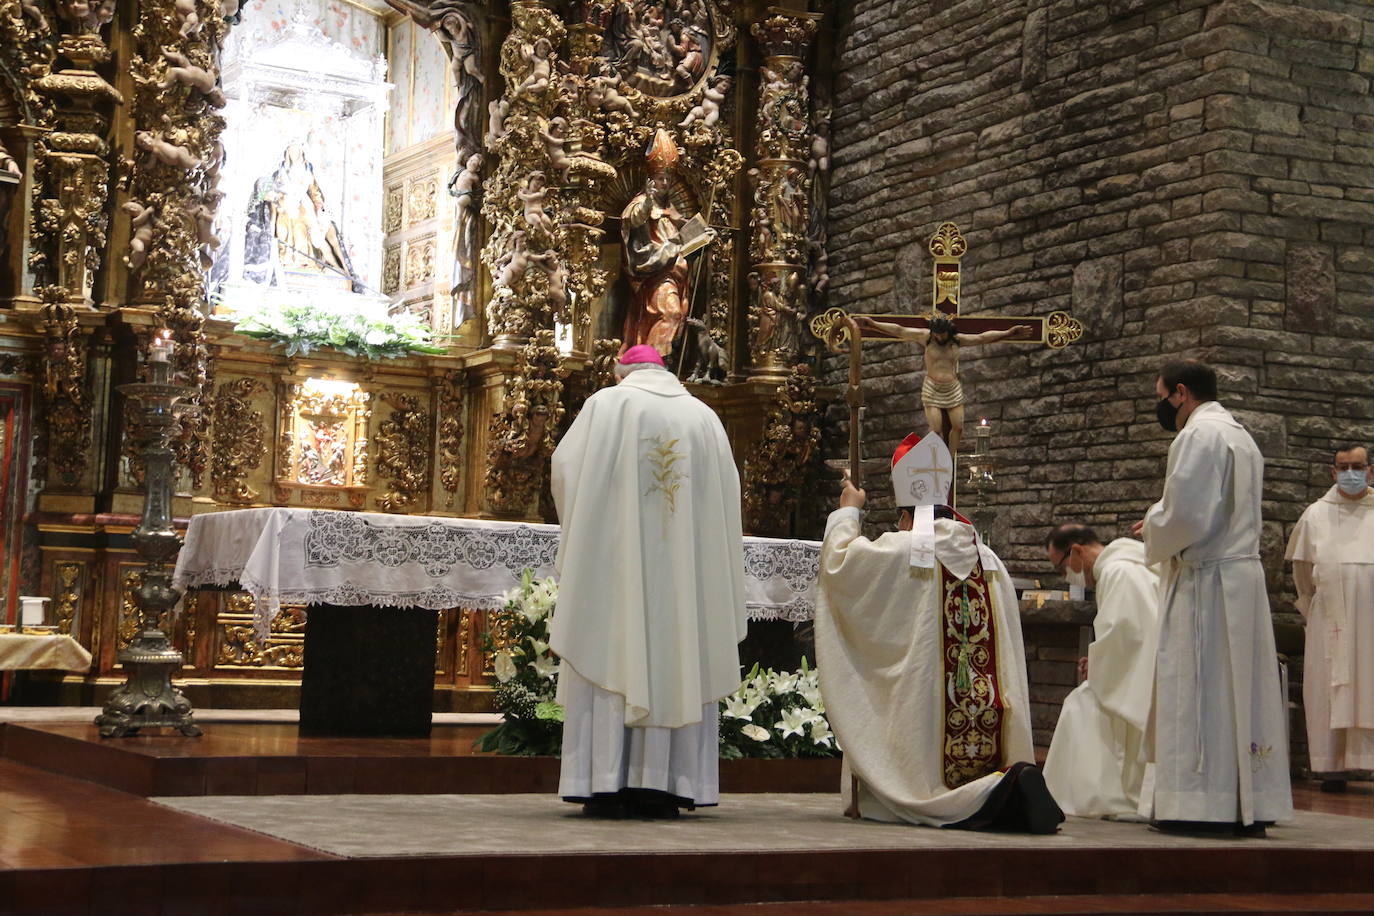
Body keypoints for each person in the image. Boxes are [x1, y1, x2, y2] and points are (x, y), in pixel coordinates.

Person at [813, 432, 1063, 833]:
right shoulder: (988, 556)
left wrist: (848, 511)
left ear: (907, 513)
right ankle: (1001, 782)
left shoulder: (905, 548)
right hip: (987, 710)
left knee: (923, 776)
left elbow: (840, 565)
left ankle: (979, 797)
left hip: (927, 721)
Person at [549, 344, 747, 819]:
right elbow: (727, 497)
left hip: (615, 570)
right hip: (686, 579)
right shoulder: (704, 418)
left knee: (616, 647)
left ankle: (603, 781)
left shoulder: (606, 406)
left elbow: (565, 471)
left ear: (623, 371)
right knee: (679, 649)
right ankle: (670, 783)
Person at [1134, 360, 1292, 835]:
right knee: (1238, 691)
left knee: (1200, 691)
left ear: (1181, 392)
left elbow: (1186, 515)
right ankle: (1247, 798)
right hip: (1239, 577)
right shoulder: (1240, 436)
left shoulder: (1198, 436)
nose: (1162, 406)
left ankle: (1201, 803)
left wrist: (1152, 529)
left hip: (1208, 582)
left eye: (1162, 395)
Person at [1041, 524, 1160, 818]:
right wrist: (1099, 660)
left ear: (1078, 551)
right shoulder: (1125, 566)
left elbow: (1133, 635)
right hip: (1140, 670)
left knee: (1080, 706)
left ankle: (1107, 797)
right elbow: (1124, 635)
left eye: (1061, 567)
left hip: (1145, 679)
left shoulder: (1120, 572)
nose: (1066, 575)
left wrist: (1100, 663)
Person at [1285, 443, 1374, 791]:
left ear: (1370, 470)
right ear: (1332, 472)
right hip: (1331, 619)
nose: (1350, 473)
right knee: (1328, 686)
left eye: (1358, 466)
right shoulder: (1316, 515)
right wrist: (1313, 608)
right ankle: (1332, 767)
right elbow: (1302, 573)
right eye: (1343, 467)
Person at [855, 315, 1034, 455]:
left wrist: (1008, 333)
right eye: (936, 332)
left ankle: (949, 459)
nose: (939, 336)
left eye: (942, 333)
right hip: (932, 388)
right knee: (936, 430)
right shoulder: (925, 337)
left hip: (952, 388)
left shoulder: (956, 340)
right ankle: (937, 458)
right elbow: (900, 330)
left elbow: (981, 338)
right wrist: (872, 324)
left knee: (958, 426)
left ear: (948, 331)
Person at [620, 129, 714, 355]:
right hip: (657, 275)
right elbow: (633, 220)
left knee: (677, 317)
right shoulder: (642, 202)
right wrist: (647, 202)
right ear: (650, 180)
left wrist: (703, 236)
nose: (664, 183)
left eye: (667, 179)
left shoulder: (673, 210)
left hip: (678, 277)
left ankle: (660, 362)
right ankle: (651, 363)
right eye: (660, 178)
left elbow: (684, 237)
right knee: (669, 314)